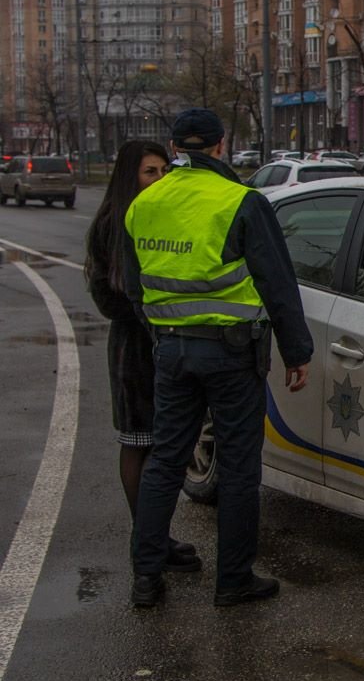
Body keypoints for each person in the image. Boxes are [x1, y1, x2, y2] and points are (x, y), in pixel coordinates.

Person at [123, 108, 314, 609]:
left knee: (166, 460)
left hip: (171, 349)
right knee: (238, 468)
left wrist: (162, 331)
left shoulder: (145, 202)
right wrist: (297, 351)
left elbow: (133, 285)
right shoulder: (241, 200)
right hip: (232, 354)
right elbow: (277, 282)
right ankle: (233, 580)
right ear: (220, 145)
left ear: (174, 147)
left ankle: (146, 577)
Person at [84, 141, 201, 573]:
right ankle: (147, 541)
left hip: (165, 339)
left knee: (166, 444)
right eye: (150, 172)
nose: (160, 179)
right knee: (139, 440)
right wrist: (149, 314)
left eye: (164, 171)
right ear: (129, 176)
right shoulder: (114, 222)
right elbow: (108, 295)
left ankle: (155, 537)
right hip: (134, 348)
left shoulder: (162, 215)